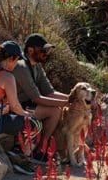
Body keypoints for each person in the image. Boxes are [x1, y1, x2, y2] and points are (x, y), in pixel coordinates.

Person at [13, 33, 69, 162]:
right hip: (16, 106)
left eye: (48, 50)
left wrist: (73, 99)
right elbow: (37, 98)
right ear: (30, 50)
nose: (47, 53)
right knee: (54, 111)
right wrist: (68, 104)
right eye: (43, 50)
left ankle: (43, 147)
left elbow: (49, 92)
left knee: (56, 109)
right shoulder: (21, 67)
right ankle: (40, 151)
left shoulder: (36, 66)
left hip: (28, 103)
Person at [0, 41, 42, 144]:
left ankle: (17, 147)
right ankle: (22, 151)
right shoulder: (7, 77)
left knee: (20, 118)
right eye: (17, 60)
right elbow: (15, 106)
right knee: (36, 123)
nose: (17, 63)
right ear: (11, 58)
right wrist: (28, 115)